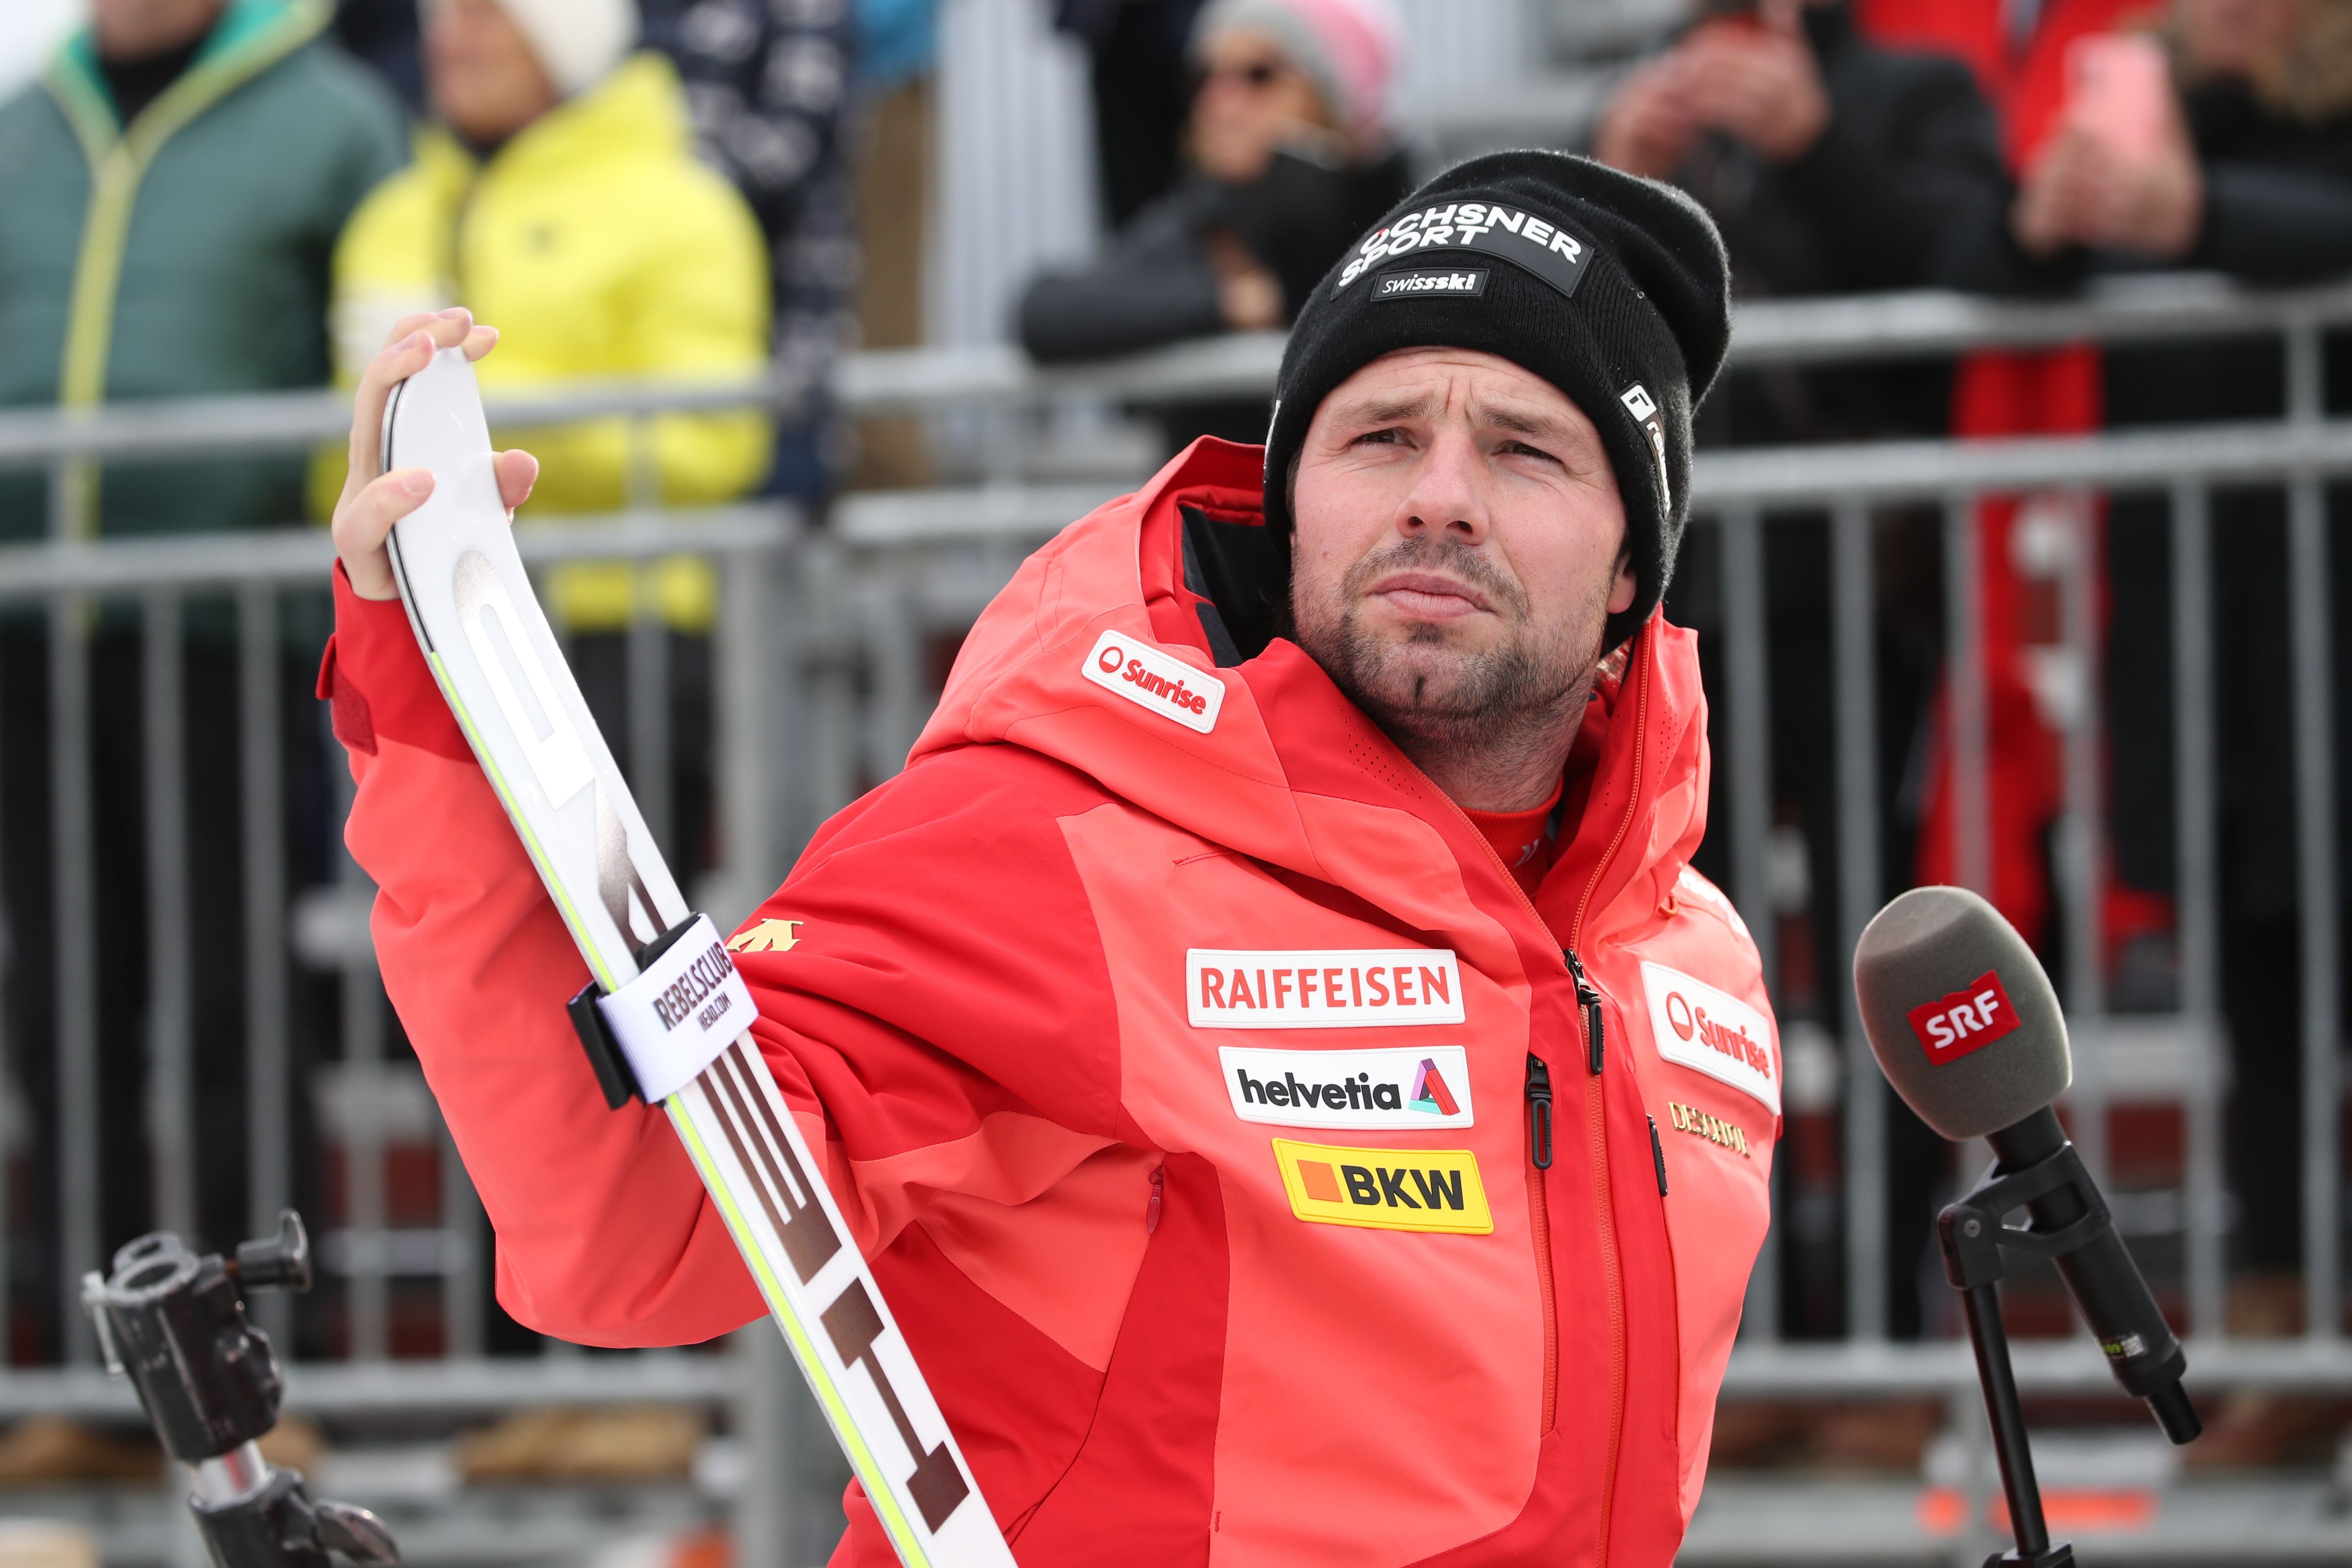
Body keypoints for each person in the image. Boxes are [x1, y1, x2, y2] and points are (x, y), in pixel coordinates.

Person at [323, 149, 1776, 1560]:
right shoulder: (1065, 839)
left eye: (1524, 450)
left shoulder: (1687, 961)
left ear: (1631, 567)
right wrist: (445, 706)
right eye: (1380, 435)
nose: (1439, 495)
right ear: (1289, 507)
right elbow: (637, 1221)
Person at [0, 0, 403, 1360]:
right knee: (64, 998)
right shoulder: (25, 121)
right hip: (35, 629)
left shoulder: (332, 118)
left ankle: (263, 1359)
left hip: (223, 632)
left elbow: (375, 358)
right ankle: (88, 1370)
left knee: (233, 990)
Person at [325, 0, 773, 870]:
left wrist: (467, 431)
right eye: (445, 11)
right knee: (444, 956)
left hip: (625, 642)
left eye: (489, 13)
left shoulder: (681, 204)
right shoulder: (394, 208)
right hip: (435, 643)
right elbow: (340, 454)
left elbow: (715, 438)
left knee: (612, 963)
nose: (454, 33)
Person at [1017, 0, 1411, 382]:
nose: (1221, 102)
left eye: (1258, 75)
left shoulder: (1404, 214)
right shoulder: (1208, 214)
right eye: (1204, 77)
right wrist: (1229, 302)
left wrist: (1299, 168)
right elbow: (1044, 311)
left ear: (1332, 94)